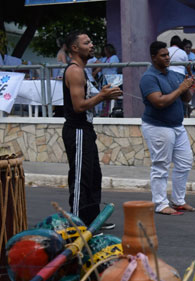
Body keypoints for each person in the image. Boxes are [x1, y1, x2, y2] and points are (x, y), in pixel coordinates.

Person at [61, 31, 123, 230]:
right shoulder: (74, 71)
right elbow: (78, 106)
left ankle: (93, 222)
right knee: (80, 178)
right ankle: (78, 224)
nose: (92, 45)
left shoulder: (83, 70)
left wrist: (106, 95)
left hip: (86, 129)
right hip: (77, 129)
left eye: (91, 41)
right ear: (74, 48)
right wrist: (103, 97)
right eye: (86, 43)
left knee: (93, 176)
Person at [139, 41, 195, 215]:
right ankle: (160, 203)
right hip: (158, 126)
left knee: (185, 162)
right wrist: (180, 89)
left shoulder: (172, 74)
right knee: (161, 165)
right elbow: (159, 102)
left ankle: (178, 200)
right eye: (163, 55)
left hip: (177, 126)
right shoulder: (149, 78)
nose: (167, 58)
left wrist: (187, 85)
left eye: (167, 55)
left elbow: (185, 99)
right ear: (153, 57)